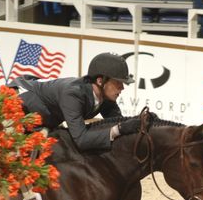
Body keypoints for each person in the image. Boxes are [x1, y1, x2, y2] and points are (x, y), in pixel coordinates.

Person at [9, 53, 141, 153]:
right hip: (17, 110)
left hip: (45, 120)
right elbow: (81, 140)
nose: (122, 88)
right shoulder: (73, 94)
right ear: (100, 81)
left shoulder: (105, 97)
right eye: (118, 83)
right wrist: (117, 130)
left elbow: (119, 123)